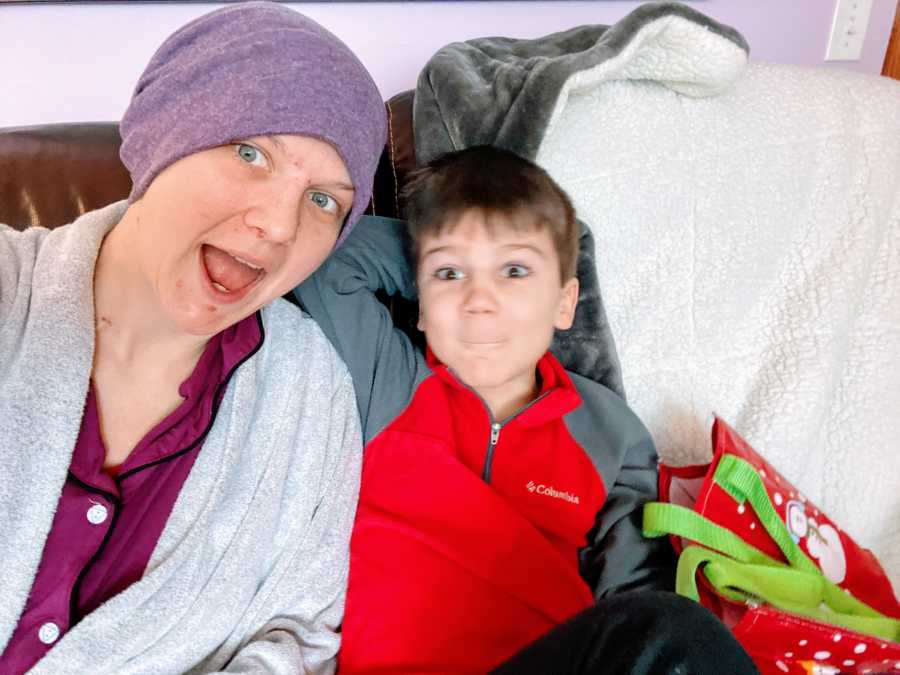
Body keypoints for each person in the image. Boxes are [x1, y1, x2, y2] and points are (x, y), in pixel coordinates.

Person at [0, 3, 385, 673]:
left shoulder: (313, 393)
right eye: (250, 153)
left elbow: (297, 632)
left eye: (324, 199)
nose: (279, 224)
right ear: (165, 138)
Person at [295, 145, 758, 673]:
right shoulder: (388, 379)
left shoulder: (608, 428)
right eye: (450, 275)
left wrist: (457, 259)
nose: (480, 300)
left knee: (681, 631)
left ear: (564, 303)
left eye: (514, 270)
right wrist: (434, 245)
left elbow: (636, 594)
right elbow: (321, 264)